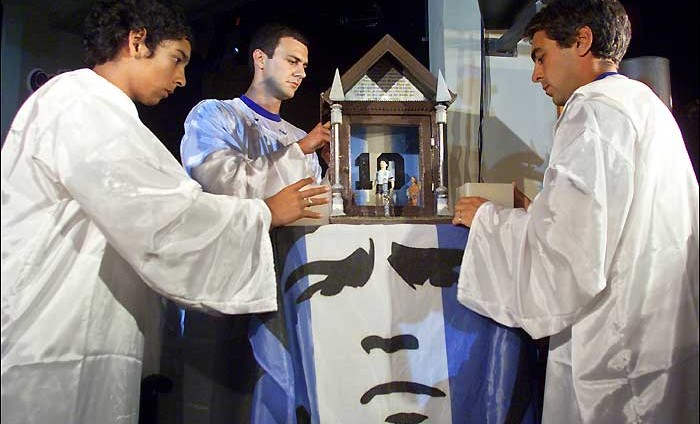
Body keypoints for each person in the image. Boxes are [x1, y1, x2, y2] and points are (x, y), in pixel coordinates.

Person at [0, 2, 327, 423]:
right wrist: (263, 213)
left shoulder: (104, 107)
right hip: (52, 325)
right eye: (176, 59)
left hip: (85, 317)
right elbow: (160, 212)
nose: (182, 78)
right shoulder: (80, 103)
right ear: (138, 42)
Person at [453, 0, 699, 422]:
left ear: (582, 41)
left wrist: (488, 221)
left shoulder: (592, 109)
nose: (536, 75)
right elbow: (613, 219)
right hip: (664, 331)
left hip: (616, 349)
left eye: (541, 56)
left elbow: (568, 257)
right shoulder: (646, 104)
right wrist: (538, 211)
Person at [179, 23, 330, 199]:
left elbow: (314, 204)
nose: (301, 73)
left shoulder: (298, 136)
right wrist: (299, 149)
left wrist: (333, 172)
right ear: (260, 59)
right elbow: (219, 184)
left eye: (304, 66)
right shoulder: (214, 114)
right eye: (292, 61)